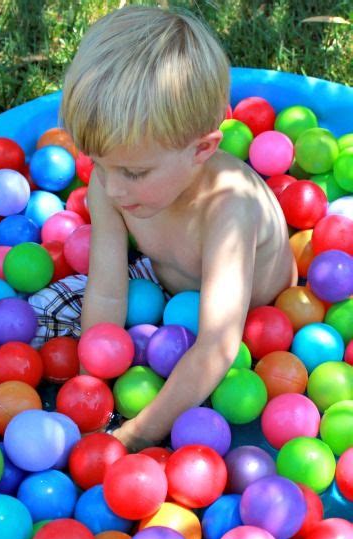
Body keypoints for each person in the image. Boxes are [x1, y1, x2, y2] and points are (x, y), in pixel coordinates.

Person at [29, 5, 297, 451]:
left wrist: (137, 434)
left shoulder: (228, 209)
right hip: (159, 292)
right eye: (99, 164)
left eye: (134, 172)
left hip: (249, 323)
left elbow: (217, 346)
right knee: (42, 311)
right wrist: (92, 386)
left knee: (209, 410)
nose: (112, 188)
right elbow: (109, 292)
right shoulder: (113, 182)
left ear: (202, 150)